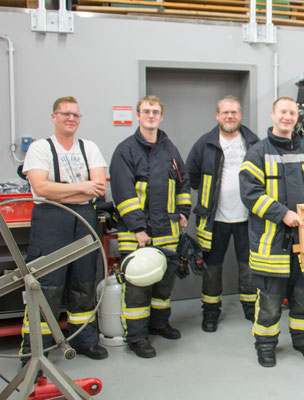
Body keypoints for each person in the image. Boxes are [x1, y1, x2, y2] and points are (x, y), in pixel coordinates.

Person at [239, 97, 304, 367]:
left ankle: (303, 340)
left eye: (292, 112)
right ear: (273, 115)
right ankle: (265, 345)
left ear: (296, 117)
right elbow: (250, 193)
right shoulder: (257, 152)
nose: (288, 117)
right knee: (270, 299)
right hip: (271, 242)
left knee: (303, 296)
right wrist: (282, 214)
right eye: (283, 112)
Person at [20, 96, 108, 362]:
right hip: (50, 221)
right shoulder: (40, 148)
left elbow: (99, 187)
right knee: (47, 285)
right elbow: (41, 188)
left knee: (84, 282)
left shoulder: (89, 147)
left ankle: (84, 340)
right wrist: (82, 188)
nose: (71, 119)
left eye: (76, 115)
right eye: (65, 114)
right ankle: (36, 350)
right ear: (54, 117)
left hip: (84, 219)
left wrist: (60, 191)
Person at [110, 95, 191, 358]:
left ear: (161, 116)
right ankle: (137, 337)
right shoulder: (125, 150)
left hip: (167, 231)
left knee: (164, 284)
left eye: (155, 111)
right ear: (138, 116)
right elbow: (123, 192)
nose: (151, 115)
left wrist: (183, 212)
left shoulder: (170, 149)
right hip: (138, 233)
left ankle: (159, 323)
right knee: (137, 287)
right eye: (146, 111)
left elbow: (183, 183)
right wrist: (137, 228)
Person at [186, 95, 259, 332]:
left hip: (248, 218)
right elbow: (191, 176)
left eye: (234, 112)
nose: (230, 116)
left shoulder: (253, 142)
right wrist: (210, 198)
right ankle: (210, 312)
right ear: (217, 115)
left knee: (248, 266)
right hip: (213, 219)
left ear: (240, 115)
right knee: (211, 267)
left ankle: (250, 307)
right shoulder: (204, 144)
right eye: (225, 112)